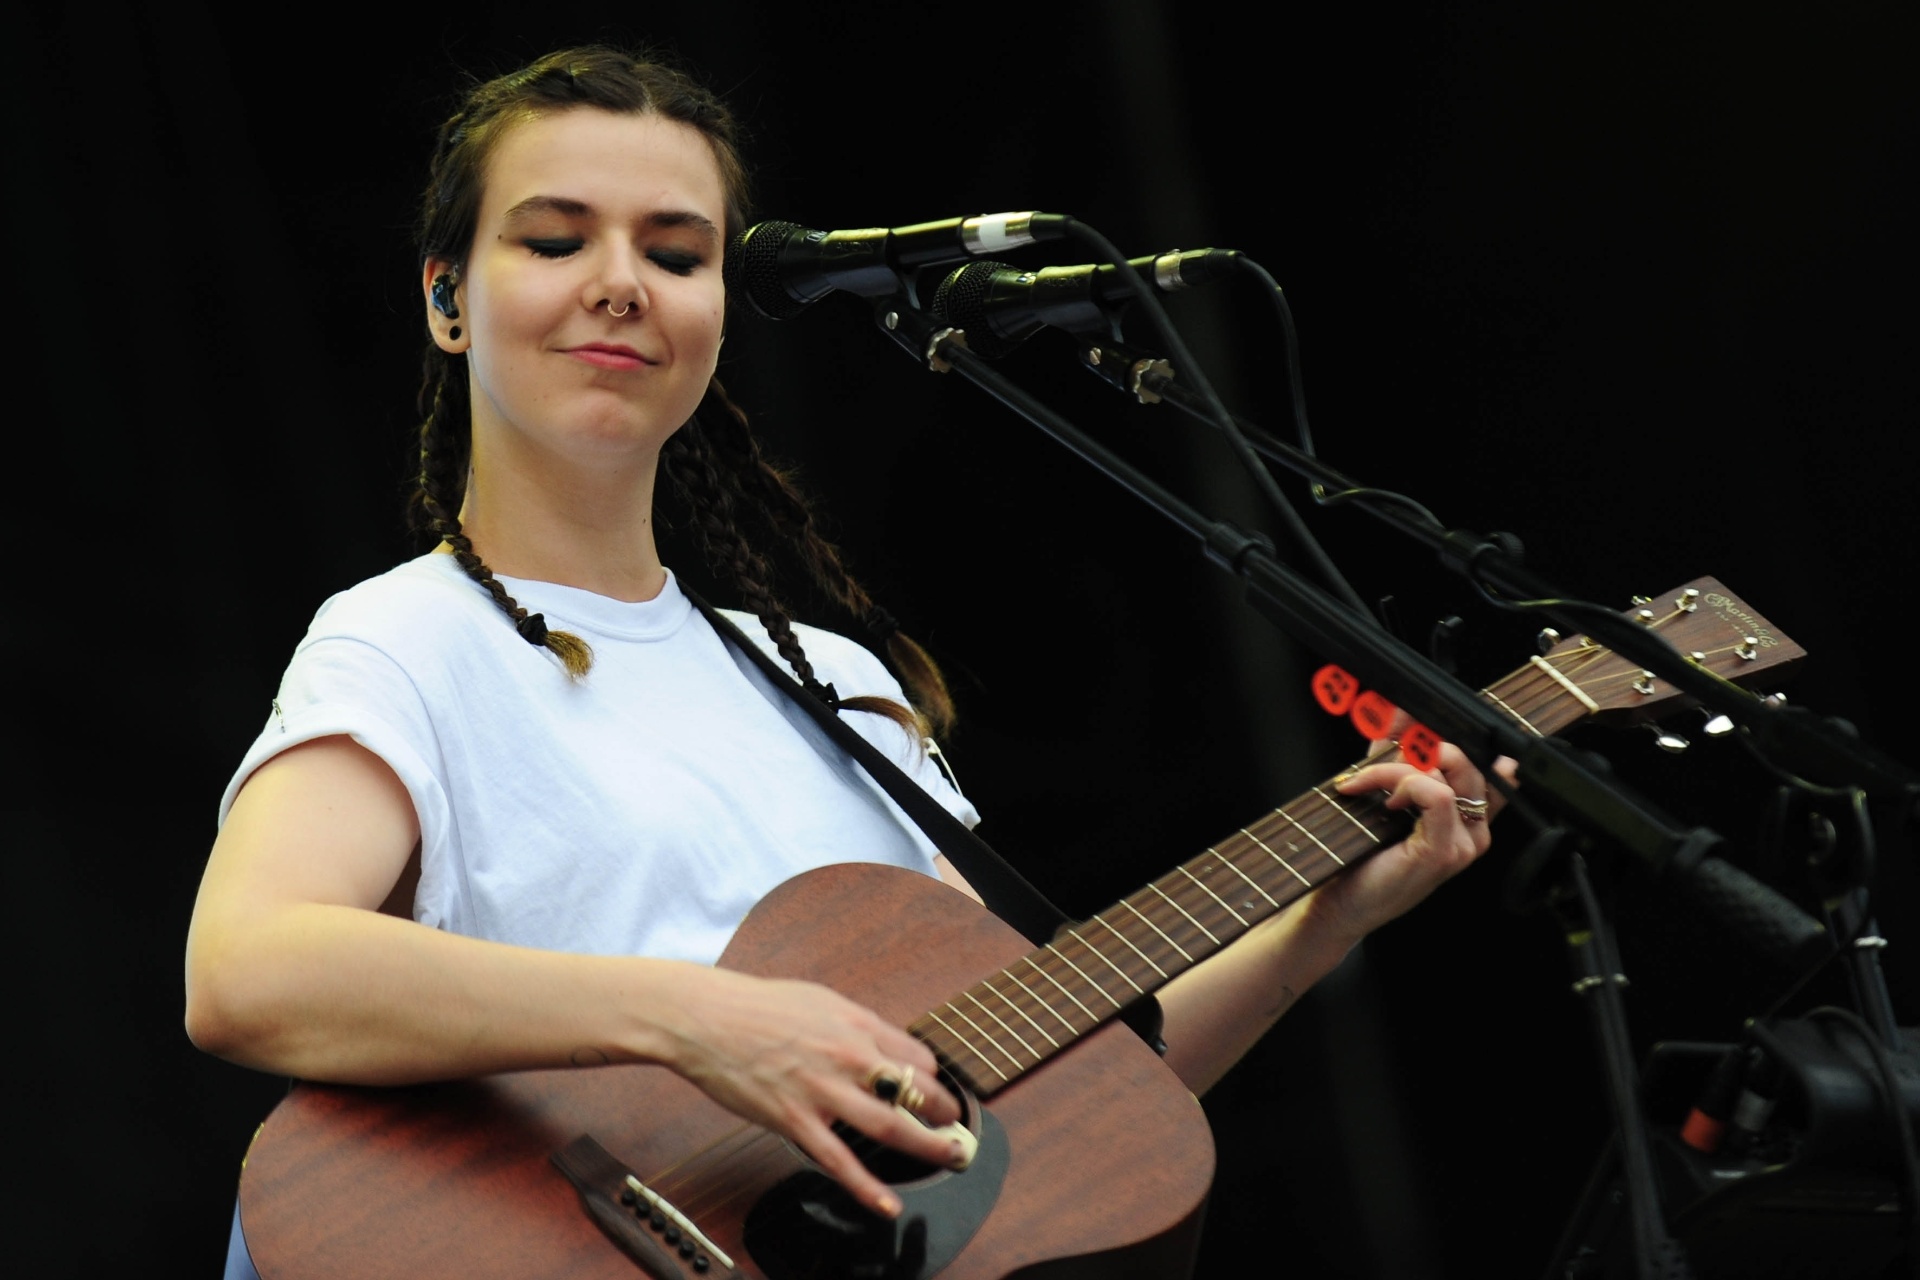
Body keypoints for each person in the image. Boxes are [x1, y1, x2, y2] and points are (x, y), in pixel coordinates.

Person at [184, 44, 1506, 1269]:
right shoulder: (409, 636)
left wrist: (1319, 924)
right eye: (552, 237)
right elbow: (248, 969)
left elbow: (1056, 1104)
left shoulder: (840, 687)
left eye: (678, 251)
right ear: (446, 299)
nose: (621, 281)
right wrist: (701, 1022)